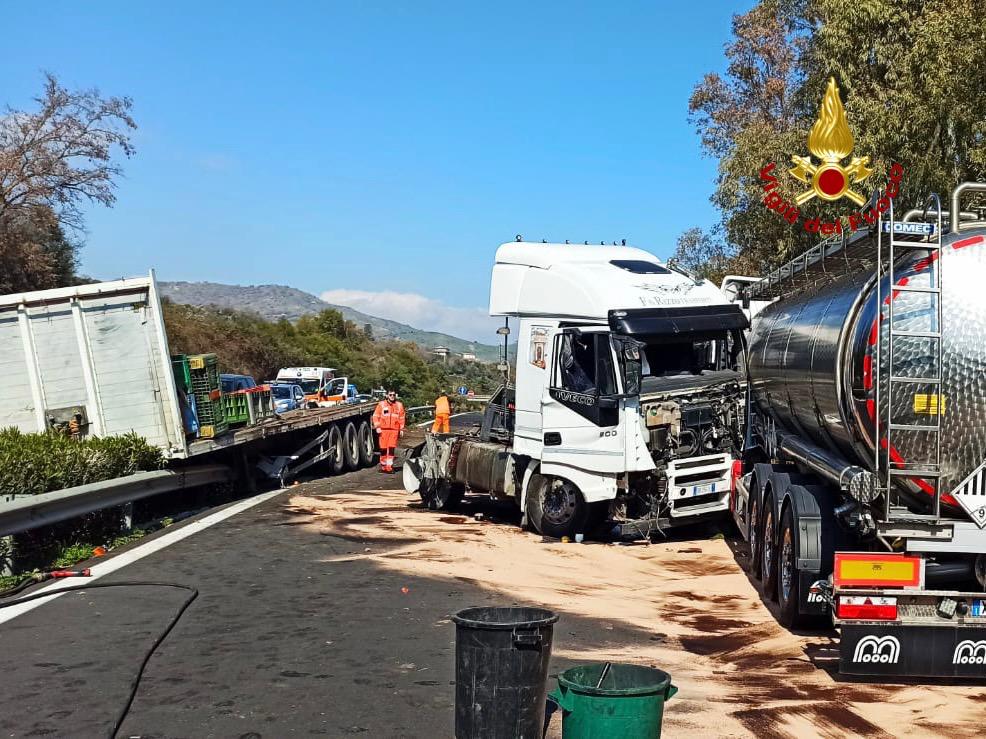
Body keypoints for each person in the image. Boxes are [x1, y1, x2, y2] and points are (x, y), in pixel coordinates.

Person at [372, 389, 406, 473]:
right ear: (387, 395)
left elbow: (402, 417)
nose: (392, 396)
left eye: (394, 395)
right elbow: (376, 416)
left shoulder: (399, 405)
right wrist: (377, 427)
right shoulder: (381, 404)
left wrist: (401, 429)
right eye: (390, 395)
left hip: (394, 430)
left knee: (391, 448)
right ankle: (383, 466)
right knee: (383, 448)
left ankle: (389, 466)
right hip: (383, 430)